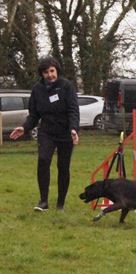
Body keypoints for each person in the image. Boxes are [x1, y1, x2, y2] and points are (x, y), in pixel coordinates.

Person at [10, 56, 80, 211]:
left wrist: (74, 129)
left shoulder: (66, 86)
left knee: (63, 166)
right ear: (41, 74)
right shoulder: (37, 90)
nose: (50, 75)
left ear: (57, 70)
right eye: (46, 72)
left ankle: (60, 203)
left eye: (52, 71)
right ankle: (43, 201)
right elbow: (34, 115)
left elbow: (73, 110)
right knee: (43, 160)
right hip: (47, 132)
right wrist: (25, 127)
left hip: (65, 132)